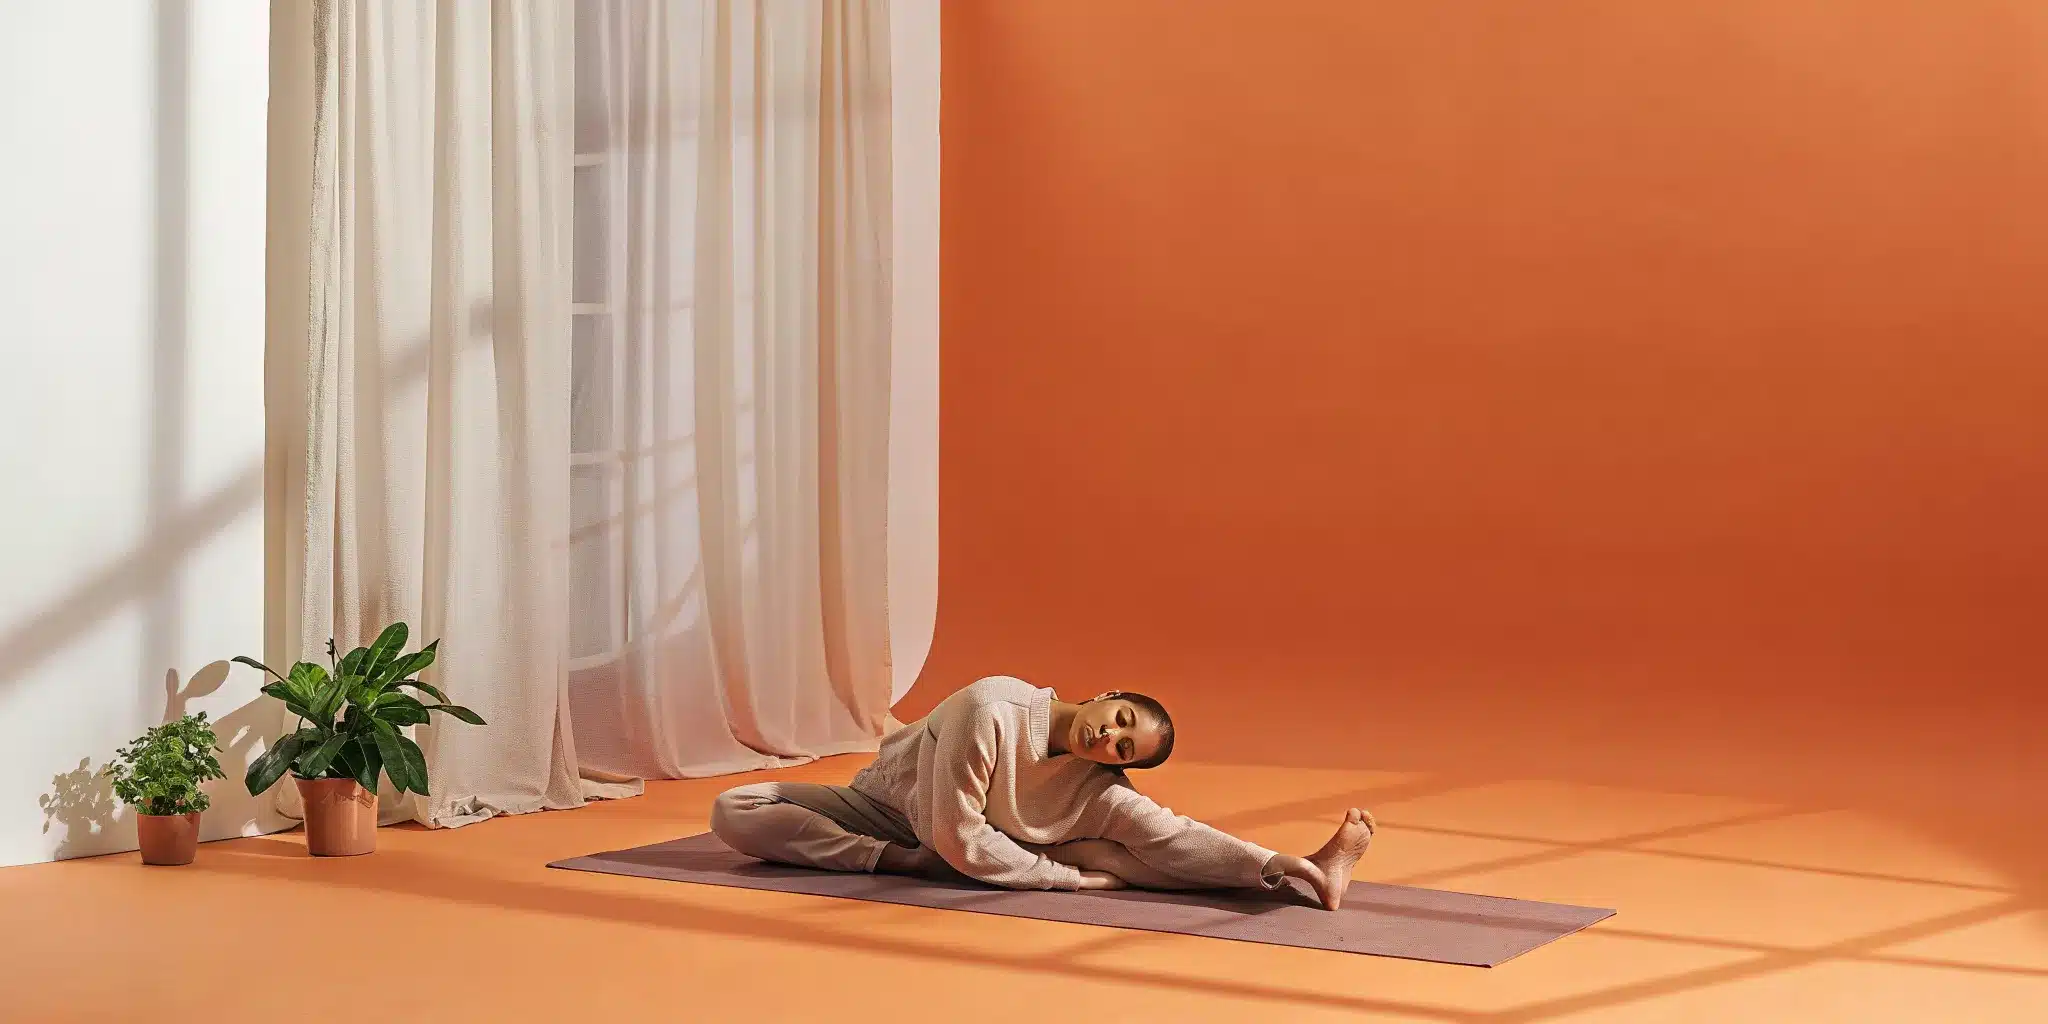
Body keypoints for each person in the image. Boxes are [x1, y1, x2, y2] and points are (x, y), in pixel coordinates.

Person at [709, 675, 1376, 909]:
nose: (1107, 738)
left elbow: (1171, 834)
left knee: (1139, 855)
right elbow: (952, 836)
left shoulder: (1092, 788)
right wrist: (1068, 881)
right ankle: (881, 860)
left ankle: (1304, 872)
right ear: (1107, 693)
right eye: (1118, 720)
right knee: (735, 811)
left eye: (1123, 749)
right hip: (889, 813)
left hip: (984, 846)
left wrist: (1273, 860)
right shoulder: (991, 708)